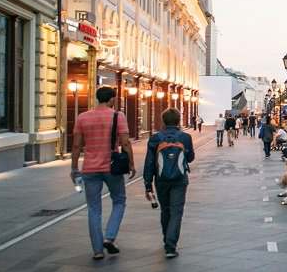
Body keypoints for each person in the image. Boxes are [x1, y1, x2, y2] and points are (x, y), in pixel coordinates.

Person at [70, 86, 136, 260]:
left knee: (93, 208)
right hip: (112, 167)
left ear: (98, 98)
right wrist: (131, 163)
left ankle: (97, 250)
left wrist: (74, 168)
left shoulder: (82, 117)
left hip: (90, 169)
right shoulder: (118, 116)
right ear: (112, 99)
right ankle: (110, 236)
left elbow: (76, 146)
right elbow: (125, 142)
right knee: (119, 201)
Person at [142, 108, 195, 259]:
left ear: (163, 121)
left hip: (161, 180)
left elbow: (150, 162)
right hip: (179, 179)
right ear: (178, 121)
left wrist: (148, 184)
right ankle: (170, 246)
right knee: (176, 211)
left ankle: (167, 239)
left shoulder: (155, 138)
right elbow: (190, 158)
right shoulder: (185, 137)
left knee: (165, 210)